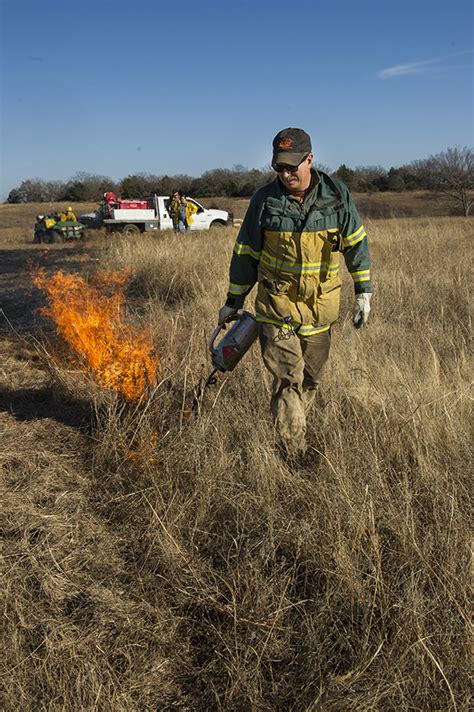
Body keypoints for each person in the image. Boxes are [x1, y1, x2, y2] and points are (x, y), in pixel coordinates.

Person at [218, 127, 372, 459]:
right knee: (287, 380)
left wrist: (363, 291)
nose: (286, 174)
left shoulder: (336, 195)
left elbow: (356, 243)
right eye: (279, 168)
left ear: (309, 159)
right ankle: (294, 453)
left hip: (321, 308)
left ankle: (295, 429)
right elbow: (246, 253)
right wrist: (233, 302)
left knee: (310, 381)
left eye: (292, 166)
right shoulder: (264, 200)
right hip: (278, 308)